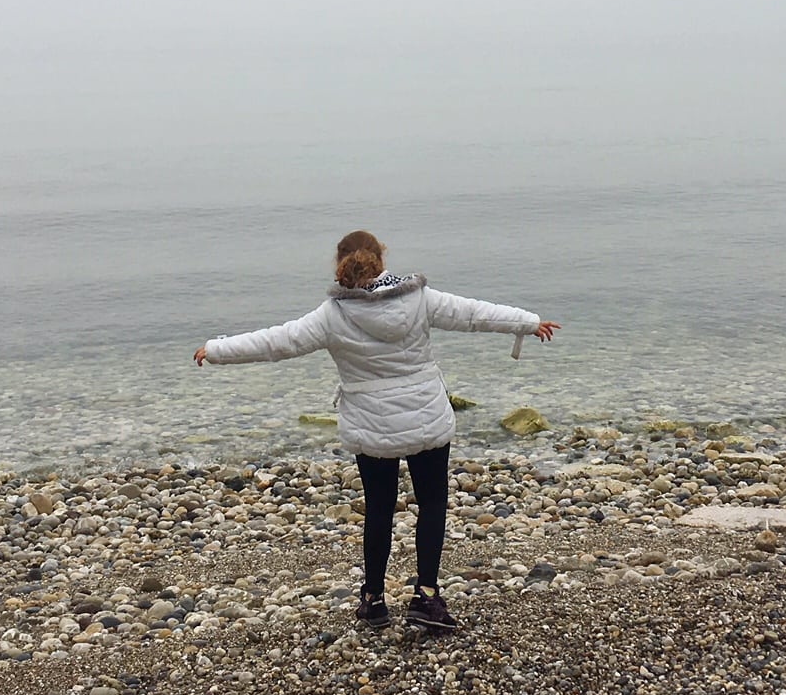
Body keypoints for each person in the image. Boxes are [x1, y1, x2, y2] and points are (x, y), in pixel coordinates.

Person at [194, 230, 557, 633]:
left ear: (340, 263)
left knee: (379, 510)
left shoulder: (331, 316)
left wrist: (217, 350)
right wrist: (529, 322)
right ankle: (427, 597)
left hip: (371, 424)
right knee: (432, 504)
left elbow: (277, 342)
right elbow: (474, 314)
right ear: (381, 259)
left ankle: (374, 600)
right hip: (426, 417)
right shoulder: (419, 299)